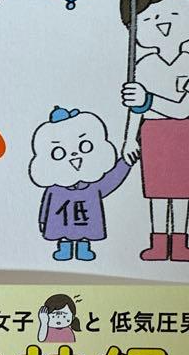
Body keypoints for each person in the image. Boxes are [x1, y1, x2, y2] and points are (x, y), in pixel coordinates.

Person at [120, 0, 189, 262]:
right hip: (151, 132)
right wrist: (129, 139)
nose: (162, 22)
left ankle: (179, 243)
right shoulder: (142, 66)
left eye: (174, 13)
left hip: (181, 133)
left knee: (180, 192)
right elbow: (135, 110)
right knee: (155, 191)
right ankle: (158, 242)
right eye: (147, 18)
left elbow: (183, 109)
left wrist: (147, 100)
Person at [30, 106, 134, 262]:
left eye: (84, 146)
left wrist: (126, 162)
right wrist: (42, 220)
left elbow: (112, 180)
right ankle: (64, 248)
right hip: (62, 221)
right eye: (59, 153)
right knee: (63, 236)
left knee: (84, 236)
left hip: (85, 222)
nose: (74, 154)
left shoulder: (93, 186)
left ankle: (83, 248)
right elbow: (46, 204)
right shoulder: (55, 188)